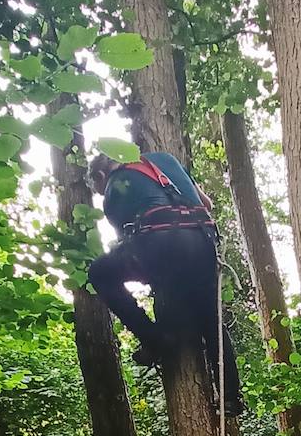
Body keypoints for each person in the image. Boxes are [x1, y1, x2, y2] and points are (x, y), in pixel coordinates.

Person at [87, 150, 243, 415]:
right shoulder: (164, 160)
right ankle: (230, 396)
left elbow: (128, 237)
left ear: (101, 175)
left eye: (98, 188)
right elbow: (206, 202)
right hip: (202, 242)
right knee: (210, 317)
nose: (102, 193)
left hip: (161, 247)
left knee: (100, 273)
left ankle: (156, 339)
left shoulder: (115, 187)